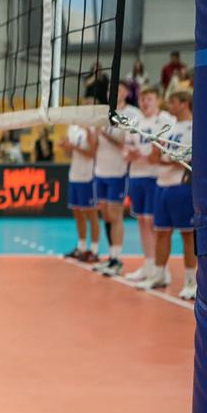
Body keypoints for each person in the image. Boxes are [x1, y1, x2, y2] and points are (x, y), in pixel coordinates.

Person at [137, 87, 195, 299]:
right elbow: (156, 158)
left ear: (184, 103)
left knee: (187, 234)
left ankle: (191, 281)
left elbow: (186, 161)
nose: (168, 106)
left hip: (181, 186)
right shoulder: (169, 127)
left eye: (172, 102)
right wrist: (160, 157)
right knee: (161, 231)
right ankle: (159, 275)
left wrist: (164, 159)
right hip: (161, 185)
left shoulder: (194, 127)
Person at [123, 86, 175, 283]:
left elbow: (159, 154)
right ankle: (149, 264)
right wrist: (137, 154)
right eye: (142, 99)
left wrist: (141, 155)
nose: (145, 102)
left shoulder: (166, 120)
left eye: (149, 99)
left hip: (155, 177)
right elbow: (126, 151)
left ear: (158, 100)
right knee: (142, 221)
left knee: (155, 223)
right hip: (136, 176)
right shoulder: (136, 122)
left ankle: (162, 269)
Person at [91, 89, 136, 276]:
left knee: (115, 215)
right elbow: (94, 145)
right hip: (100, 170)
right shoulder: (102, 113)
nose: (111, 92)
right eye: (109, 89)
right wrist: (93, 133)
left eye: (117, 89)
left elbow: (123, 142)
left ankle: (117, 259)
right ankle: (111, 257)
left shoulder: (130, 114)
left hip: (117, 172)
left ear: (125, 93)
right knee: (106, 215)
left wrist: (104, 132)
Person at [61, 124, 101, 263]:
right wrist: (66, 147)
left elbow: (92, 154)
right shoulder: (72, 127)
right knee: (77, 212)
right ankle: (81, 247)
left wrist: (74, 147)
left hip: (88, 176)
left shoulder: (91, 128)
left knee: (91, 213)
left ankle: (94, 250)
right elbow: (68, 154)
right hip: (74, 175)